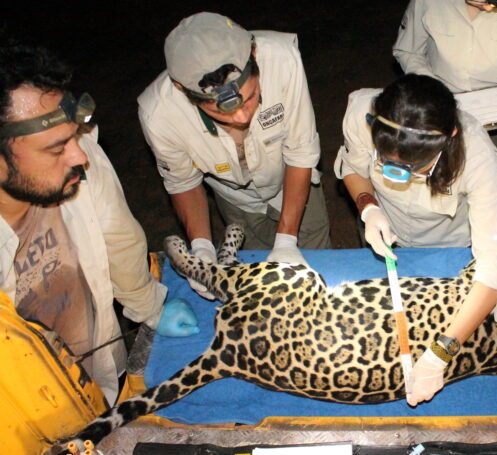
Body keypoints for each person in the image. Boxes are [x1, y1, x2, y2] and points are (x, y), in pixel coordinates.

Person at [0, 41, 198, 405]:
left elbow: (118, 235)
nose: (79, 156)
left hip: (102, 366)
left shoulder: (79, 149)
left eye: (74, 137)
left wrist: (150, 306)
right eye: (56, 149)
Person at [334, 74, 497, 406]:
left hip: (450, 246)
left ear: (450, 138)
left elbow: (495, 263)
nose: (396, 176)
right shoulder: (363, 111)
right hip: (386, 232)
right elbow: (353, 167)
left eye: (412, 168)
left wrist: (439, 354)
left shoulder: (477, 156)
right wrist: (368, 206)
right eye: (387, 163)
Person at [138, 12, 331, 299]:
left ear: (254, 53)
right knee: (256, 283)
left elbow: (301, 153)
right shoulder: (159, 114)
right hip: (234, 198)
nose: (241, 116)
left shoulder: (282, 60)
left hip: (291, 180)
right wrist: (201, 246)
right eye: (219, 111)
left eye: (251, 96)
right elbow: (183, 183)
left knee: (317, 266)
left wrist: (287, 240)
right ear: (182, 90)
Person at [393, 0, 497, 183]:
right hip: (437, 112)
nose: (489, 7)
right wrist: (435, 92)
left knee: (487, 188)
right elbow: (408, 51)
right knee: (431, 185)